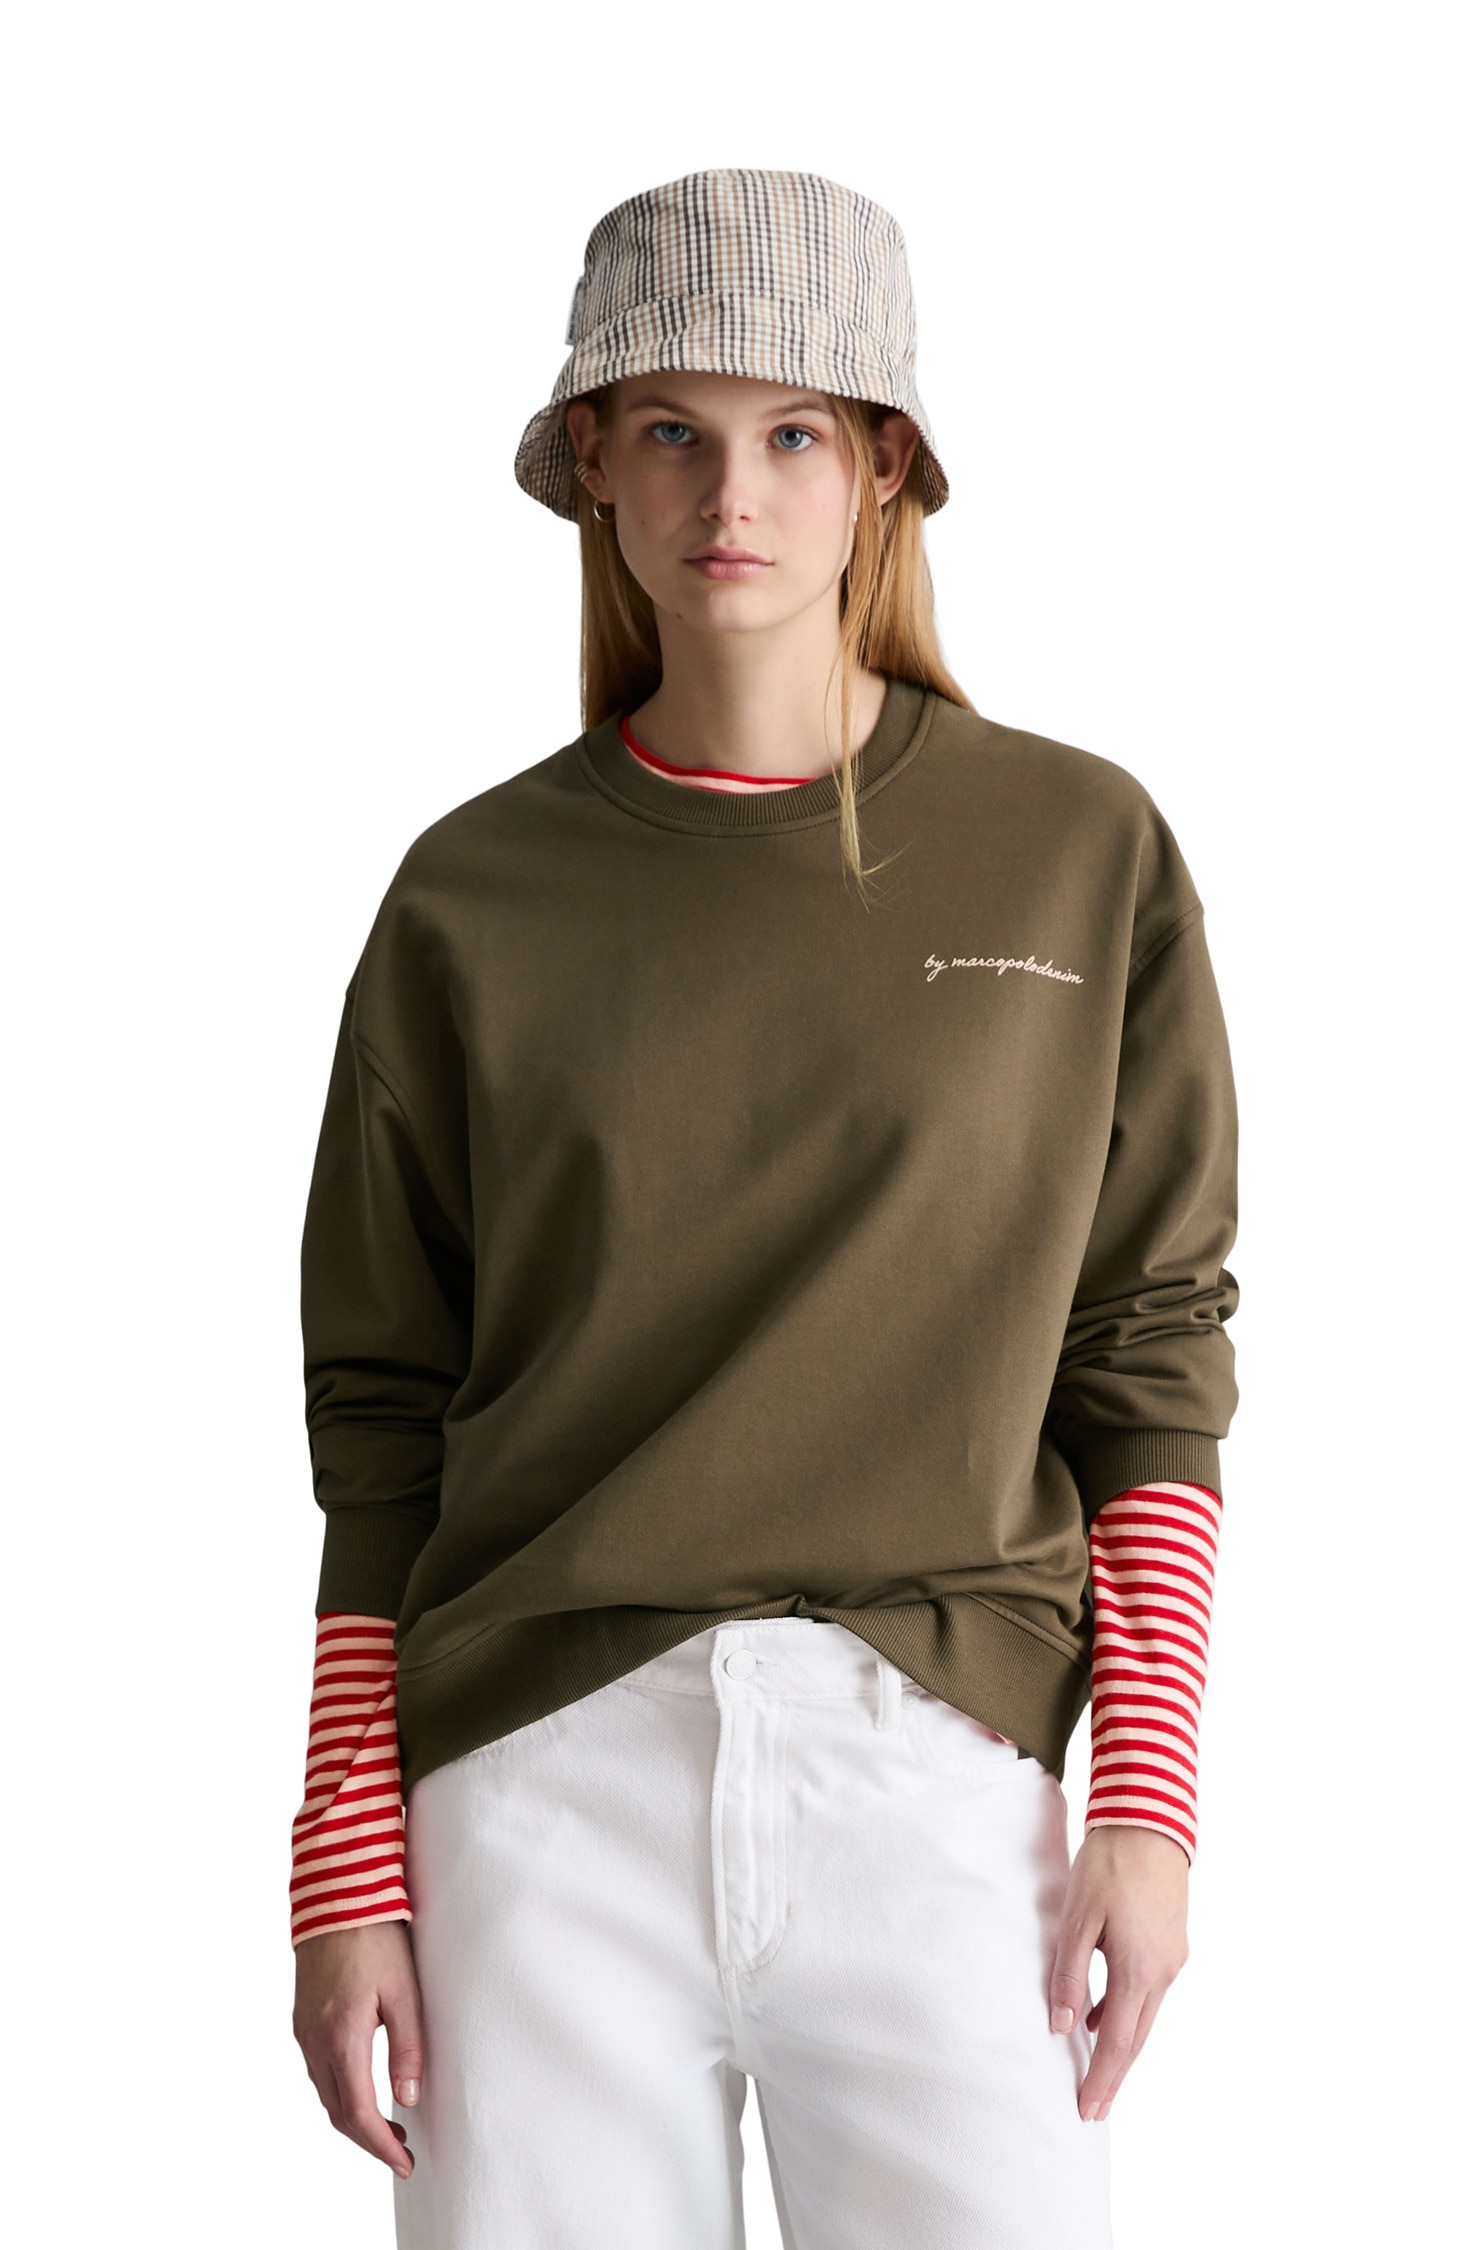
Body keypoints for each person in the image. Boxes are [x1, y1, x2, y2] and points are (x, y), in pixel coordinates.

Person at [289, 167, 1239, 2250]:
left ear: (882, 465)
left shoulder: (1075, 852)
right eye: (671, 431)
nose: (732, 495)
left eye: (794, 432)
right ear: (592, 468)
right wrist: (345, 1856)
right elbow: (383, 1410)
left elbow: (1147, 1351)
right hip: (535, 1779)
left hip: (941, 1772)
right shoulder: (469, 900)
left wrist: (1148, 1802)